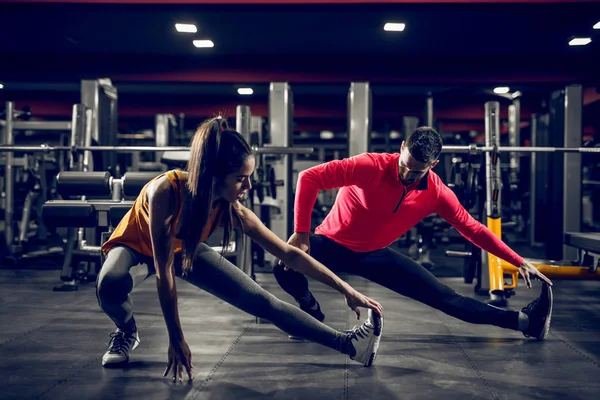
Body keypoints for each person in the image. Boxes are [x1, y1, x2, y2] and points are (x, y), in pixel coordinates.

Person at [96, 117, 384, 381]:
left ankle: (349, 344)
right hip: (135, 246)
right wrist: (175, 338)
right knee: (110, 282)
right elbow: (164, 273)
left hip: (183, 251)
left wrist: (346, 289)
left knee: (263, 302)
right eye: (240, 178)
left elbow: (289, 253)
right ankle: (125, 330)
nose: (248, 185)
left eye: (249, 176)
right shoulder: (167, 192)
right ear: (214, 176)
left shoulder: (232, 209)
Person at [275, 126, 553, 342]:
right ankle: (310, 311)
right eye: (404, 165)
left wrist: (518, 260)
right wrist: (301, 233)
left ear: (433, 165)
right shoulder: (370, 165)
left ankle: (525, 322)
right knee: (284, 265)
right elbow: (309, 177)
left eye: (416, 172)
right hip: (331, 244)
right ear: (401, 148)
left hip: (375, 255)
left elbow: (473, 229)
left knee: (445, 297)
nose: (406, 174)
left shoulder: (437, 193)